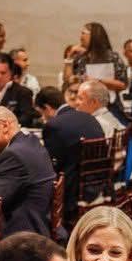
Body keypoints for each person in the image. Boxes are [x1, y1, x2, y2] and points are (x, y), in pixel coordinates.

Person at [0, 107, 56, 236]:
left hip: (23, 234)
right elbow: (4, 186)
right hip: (41, 222)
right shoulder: (30, 141)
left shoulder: (13, 155)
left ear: (5, 126)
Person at [35, 86, 104, 219]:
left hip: (74, 189)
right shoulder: (88, 117)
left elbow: (51, 164)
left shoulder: (54, 125)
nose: (43, 118)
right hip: (99, 181)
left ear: (47, 108)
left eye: (41, 113)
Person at [65, 22, 128, 96]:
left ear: (94, 35)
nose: (80, 37)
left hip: (110, 104)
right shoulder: (80, 58)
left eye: (83, 33)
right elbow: (69, 82)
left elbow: (123, 85)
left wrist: (96, 81)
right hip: (85, 103)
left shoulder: (112, 57)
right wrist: (69, 58)